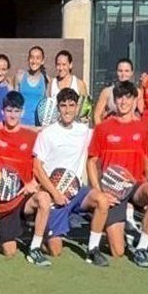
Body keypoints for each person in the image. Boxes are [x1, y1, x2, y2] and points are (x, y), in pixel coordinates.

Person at [31, 88, 113, 266]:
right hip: (55, 195)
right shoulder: (48, 134)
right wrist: (55, 194)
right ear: (58, 108)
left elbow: (106, 136)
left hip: (77, 193)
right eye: (63, 106)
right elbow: (37, 168)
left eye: (71, 105)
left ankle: (92, 250)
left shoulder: (84, 131)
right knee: (55, 250)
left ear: (77, 108)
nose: (67, 110)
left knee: (101, 200)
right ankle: (43, 233)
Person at [86, 81, 148, 268]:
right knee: (118, 252)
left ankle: (142, 249)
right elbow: (91, 162)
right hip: (112, 189)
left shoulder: (143, 128)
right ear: (115, 100)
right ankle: (107, 225)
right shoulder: (103, 128)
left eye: (128, 97)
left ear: (135, 100)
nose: (123, 102)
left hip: (135, 186)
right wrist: (99, 191)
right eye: (119, 97)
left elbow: (147, 162)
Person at [0, 92, 53, 266]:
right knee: (10, 251)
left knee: (44, 198)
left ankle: (34, 249)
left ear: (22, 112)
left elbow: (43, 164)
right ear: (2, 112)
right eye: (8, 110)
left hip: (24, 199)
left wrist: (34, 183)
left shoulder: (32, 137)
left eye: (16, 111)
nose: (12, 115)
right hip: (4, 203)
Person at [93, 58, 140, 125]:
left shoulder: (137, 92)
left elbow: (141, 113)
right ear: (116, 72)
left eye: (127, 71)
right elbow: (97, 115)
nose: (123, 74)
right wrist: (102, 132)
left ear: (131, 73)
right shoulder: (107, 92)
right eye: (120, 71)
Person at [16, 46, 48, 128]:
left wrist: (43, 127)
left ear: (42, 61)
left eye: (38, 58)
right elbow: (14, 102)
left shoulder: (46, 79)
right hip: (21, 125)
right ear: (28, 59)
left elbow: (47, 106)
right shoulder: (19, 76)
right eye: (32, 57)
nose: (34, 61)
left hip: (38, 127)